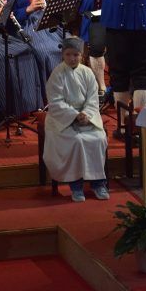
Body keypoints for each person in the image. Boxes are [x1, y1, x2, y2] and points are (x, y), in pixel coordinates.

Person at [42, 37, 109, 202]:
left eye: (76, 55)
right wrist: (73, 115)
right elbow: (55, 102)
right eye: (68, 54)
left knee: (98, 139)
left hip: (86, 117)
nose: (72, 58)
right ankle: (76, 185)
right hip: (62, 119)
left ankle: (98, 183)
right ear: (63, 55)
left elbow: (93, 99)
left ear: (82, 55)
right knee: (76, 141)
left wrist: (86, 114)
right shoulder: (57, 74)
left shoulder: (87, 73)